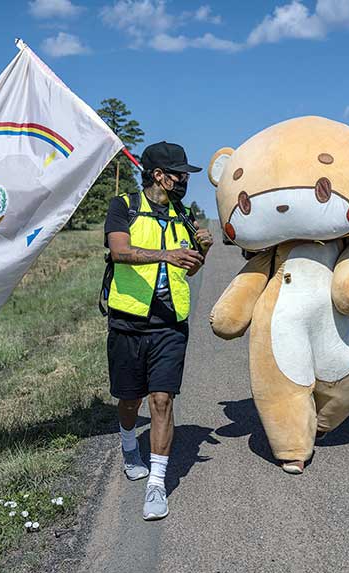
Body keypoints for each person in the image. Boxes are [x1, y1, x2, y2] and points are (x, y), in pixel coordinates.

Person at [104, 141, 213, 519]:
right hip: (128, 321)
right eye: (179, 174)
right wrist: (166, 254)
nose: (185, 180)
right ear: (158, 175)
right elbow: (119, 251)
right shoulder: (124, 206)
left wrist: (202, 252)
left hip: (170, 324)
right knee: (130, 399)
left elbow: (191, 268)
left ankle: (156, 486)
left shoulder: (185, 214)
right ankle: (128, 442)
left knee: (162, 400)